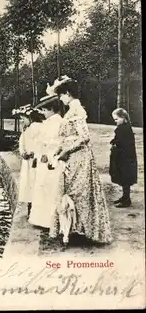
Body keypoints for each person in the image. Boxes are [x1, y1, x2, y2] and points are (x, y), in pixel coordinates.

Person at [46, 75, 112, 245]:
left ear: (68, 93)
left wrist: (65, 150)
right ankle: (74, 229)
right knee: (70, 192)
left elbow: (84, 137)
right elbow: (68, 136)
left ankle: (83, 230)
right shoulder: (71, 110)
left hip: (79, 157)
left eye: (61, 95)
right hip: (71, 157)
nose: (60, 99)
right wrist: (60, 151)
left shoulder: (77, 110)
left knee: (79, 192)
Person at [29, 95, 64, 228]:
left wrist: (48, 155)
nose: (42, 113)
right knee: (42, 186)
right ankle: (40, 219)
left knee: (49, 188)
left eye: (44, 110)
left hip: (50, 158)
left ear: (51, 109)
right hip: (43, 157)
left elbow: (56, 142)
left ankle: (48, 220)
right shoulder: (49, 122)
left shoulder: (57, 122)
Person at [12, 104, 44, 218]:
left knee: (34, 183)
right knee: (29, 184)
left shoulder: (37, 127)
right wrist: (23, 153)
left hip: (35, 160)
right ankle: (30, 208)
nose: (22, 121)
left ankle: (35, 210)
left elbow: (41, 144)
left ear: (30, 118)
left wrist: (33, 153)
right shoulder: (26, 129)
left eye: (23, 119)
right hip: (28, 161)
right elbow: (22, 143)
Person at [109, 108, 137, 208]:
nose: (115, 121)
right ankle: (125, 197)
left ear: (123, 118)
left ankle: (127, 200)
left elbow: (124, 142)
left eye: (116, 119)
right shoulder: (124, 127)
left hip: (126, 158)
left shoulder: (124, 128)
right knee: (123, 178)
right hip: (124, 157)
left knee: (125, 179)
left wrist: (116, 144)